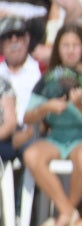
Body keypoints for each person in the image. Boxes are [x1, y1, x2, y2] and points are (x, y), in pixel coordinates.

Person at [21, 22, 82, 226]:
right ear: (58, 49)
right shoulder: (49, 77)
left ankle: (64, 215)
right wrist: (46, 108)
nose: (71, 50)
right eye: (65, 45)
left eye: (75, 45)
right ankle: (70, 213)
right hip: (56, 137)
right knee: (32, 155)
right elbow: (27, 117)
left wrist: (80, 105)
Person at [0, 17, 42, 153]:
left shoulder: (41, 69)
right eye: (8, 36)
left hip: (32, 132)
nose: (14, 40)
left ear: (27, 39)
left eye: (19, 35)